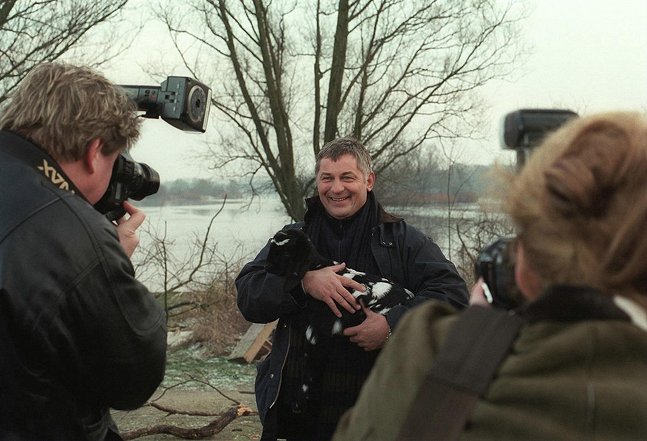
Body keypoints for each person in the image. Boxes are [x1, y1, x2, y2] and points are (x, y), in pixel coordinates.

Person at [332, 112, 647, 441]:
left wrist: (471, 341)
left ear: (523, 268)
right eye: (328, 178)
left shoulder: (426, 355)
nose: (336, 188)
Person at [236, 137, 468, 441]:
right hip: (298, 411)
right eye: (327, 178)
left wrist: (391, 326)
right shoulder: (293, 239)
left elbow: (453, 297)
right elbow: (249, 295)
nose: (336, 188)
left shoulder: (403, 241)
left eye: (348, 177)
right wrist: (303, 282)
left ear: (368, 181)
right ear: (317, 182)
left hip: (377, 411)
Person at [0, 62, 167, 441]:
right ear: (94, 150)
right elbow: (134, 377)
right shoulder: (70, 232)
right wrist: (110, 258)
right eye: (114, 161)